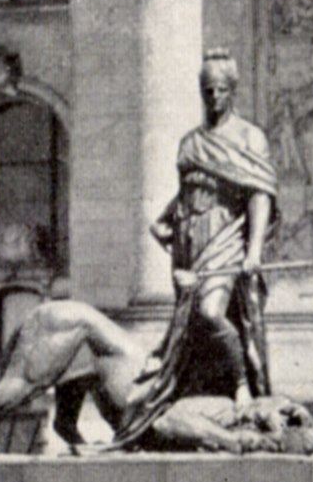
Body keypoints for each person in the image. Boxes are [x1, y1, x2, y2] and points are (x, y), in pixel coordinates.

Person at [112, 52, 275, 449]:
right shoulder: (191, 142)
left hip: (226, 238)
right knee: (190, 322)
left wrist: (253, 250)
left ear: (232, 92)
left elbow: (259, 195)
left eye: (221, 90)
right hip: (188, 242)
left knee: (209, 311)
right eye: (207, 91)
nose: (214, 97)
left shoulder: (250, 137)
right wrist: (166, 220)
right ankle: (203, 387)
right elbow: (189, 190)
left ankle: (240, 385)